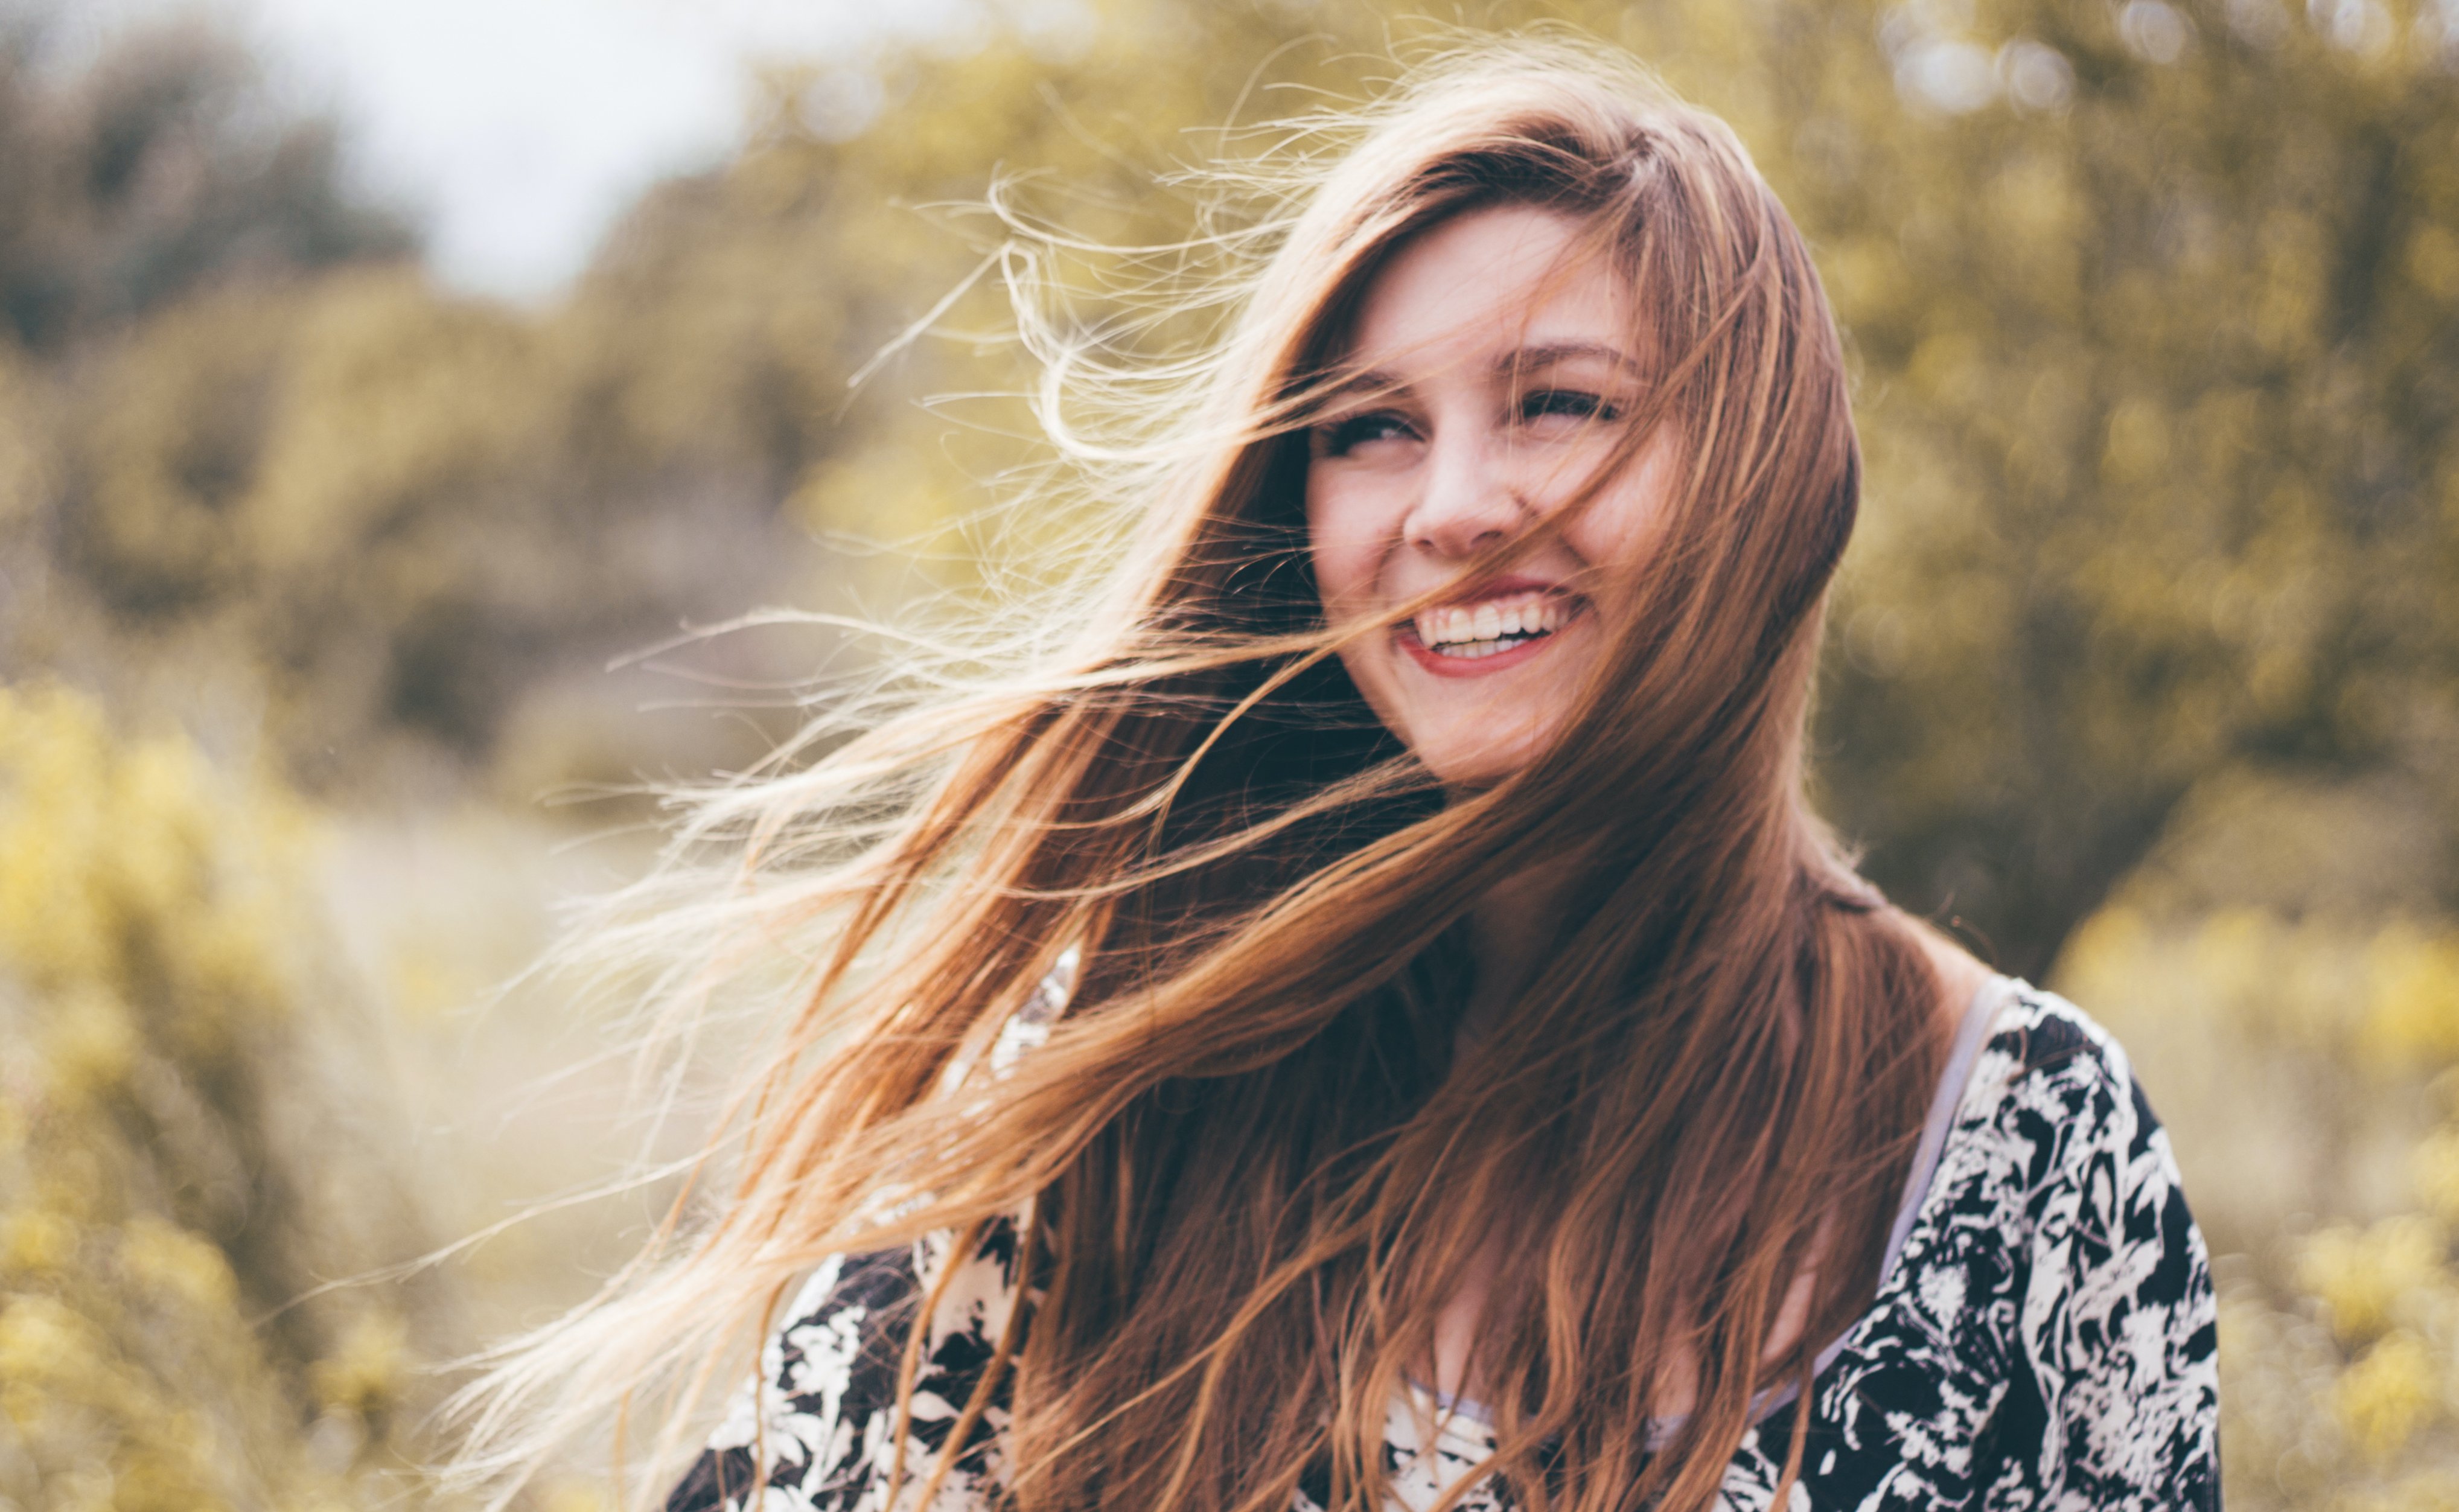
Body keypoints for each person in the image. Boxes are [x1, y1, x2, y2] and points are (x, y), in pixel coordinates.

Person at [470, 39, 2219, 1512]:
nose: (1448, 503)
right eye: (1370, 427)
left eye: (1557, 403)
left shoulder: (2020, 1150)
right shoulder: (1129, 1076)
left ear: (1756, 479)